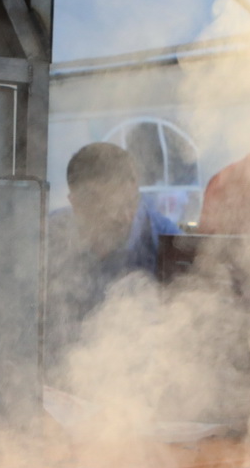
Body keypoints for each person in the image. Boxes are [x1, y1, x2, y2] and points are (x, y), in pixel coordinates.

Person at [46, 143, 178, 355]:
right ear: (78, 204)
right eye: (110, 207)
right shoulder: (48, 238)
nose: (125, 217)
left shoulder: (164, 240)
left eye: (131, 203)